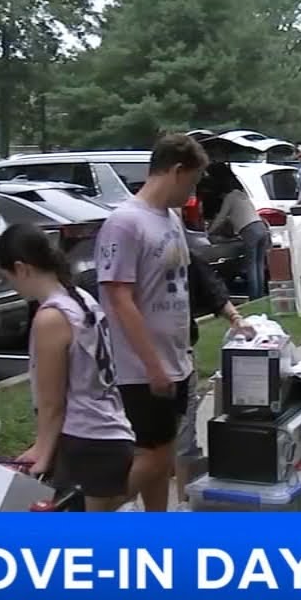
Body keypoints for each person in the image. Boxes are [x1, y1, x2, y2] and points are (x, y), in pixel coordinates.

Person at [0, 223, 134, 600]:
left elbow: (53, 403)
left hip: (88, 442)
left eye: (8, 279)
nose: (10, 288)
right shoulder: (81, 299)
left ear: (21, 268)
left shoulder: (51, 317)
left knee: (91, 564)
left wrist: (42, 453)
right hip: (107, 434)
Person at [96, 133, 204, 513]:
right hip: (140, 369)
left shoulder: (170, 218)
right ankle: (89, 512)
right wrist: (153, 365)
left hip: (176, 358)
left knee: (159, 455)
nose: (191, 193)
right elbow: (118, 297)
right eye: (191, 182)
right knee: (156, 456)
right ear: (175, 171)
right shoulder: (125, 223)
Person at [175, 249, 255, 504]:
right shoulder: (132, 258)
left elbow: (212, 289)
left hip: (180, 355)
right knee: (151, 449)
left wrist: (235, 318)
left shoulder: (183, 255)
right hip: (140, 365)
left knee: (183, 441)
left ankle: (184, 507)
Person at [205, 163, 270, 301]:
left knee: (251, 265)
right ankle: (260, 296)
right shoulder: (241, 194)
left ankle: (254, 297)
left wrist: (209, 232)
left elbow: (221, 218)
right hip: (261, 228)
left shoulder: (230, 198)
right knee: (258, 264)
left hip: (250, 231)